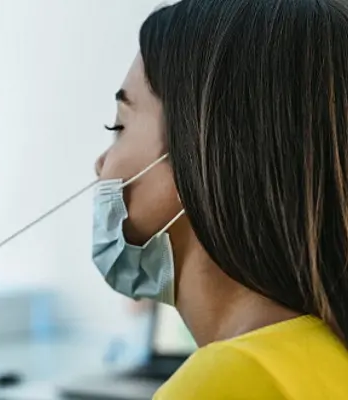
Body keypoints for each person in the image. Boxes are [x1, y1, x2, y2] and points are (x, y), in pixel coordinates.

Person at [92, 0, 348, 398]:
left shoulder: (224, 383)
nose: (101, 164)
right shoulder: (327, 354)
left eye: (119, 126)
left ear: (196, 156)